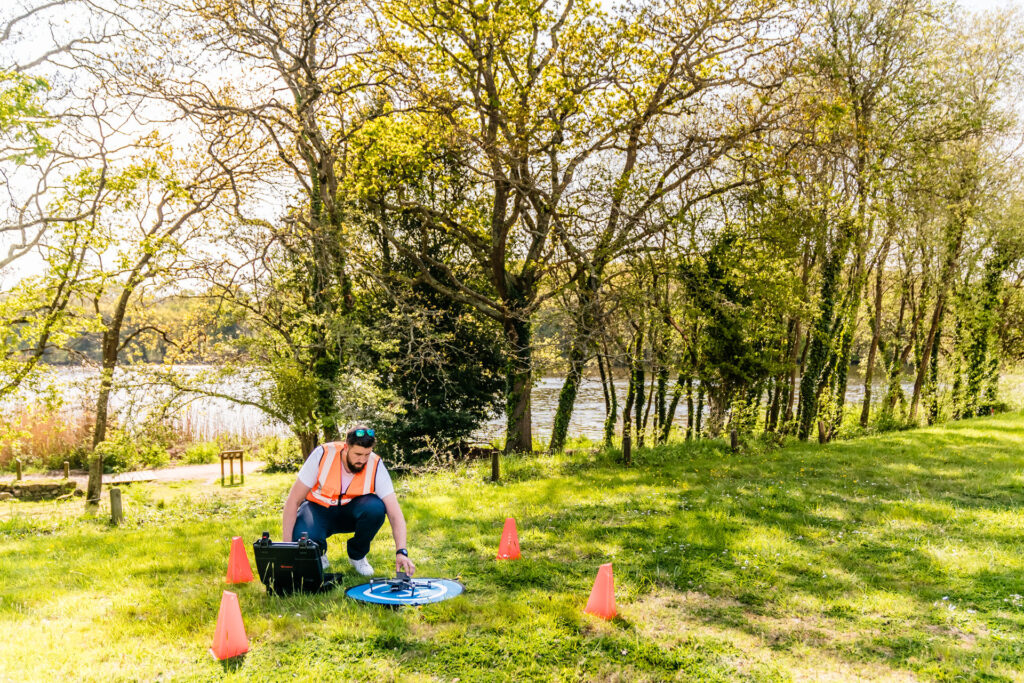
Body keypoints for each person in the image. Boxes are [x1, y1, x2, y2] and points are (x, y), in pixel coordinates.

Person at [282, 425, 416, 577]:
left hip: (350, 513)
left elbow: (395, 513)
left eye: (367, 454)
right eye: (358, 454)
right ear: (346, 447)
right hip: (317, 511)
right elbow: (293, 500)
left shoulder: (375, 464)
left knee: (376, 508)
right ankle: (318, 552)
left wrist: (401, 551)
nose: (362, 460)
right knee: (304, 538)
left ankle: (357, 556)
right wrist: (287, 548)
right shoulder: (322, 454)